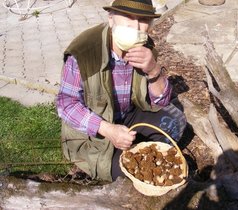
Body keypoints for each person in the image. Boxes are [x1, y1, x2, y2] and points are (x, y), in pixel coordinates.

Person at [56, 0, 186, 182]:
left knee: (176, 121)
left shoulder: (145, 47)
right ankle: (120, 157)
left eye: (143, 19)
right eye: (128, 17)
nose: (135, 26)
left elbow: (161, 102)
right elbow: (66, 104)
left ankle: (136, 150)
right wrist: (109, 130)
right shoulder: (84, 53)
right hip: (93, 132)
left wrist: (153, 70)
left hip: (127, 115)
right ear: (111, 19)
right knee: (133, 176)